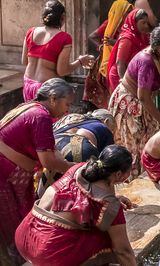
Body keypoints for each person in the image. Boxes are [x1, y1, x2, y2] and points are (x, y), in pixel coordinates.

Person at [15, 145, 137, 266]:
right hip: (47, 253)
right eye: (129, 170)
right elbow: (123, 252)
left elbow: (75, 198)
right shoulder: (108, 205)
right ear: (119, 174)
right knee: (111, 238)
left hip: (24, 235)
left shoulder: (80, 168)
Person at [0, 78, 75, 264]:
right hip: (4, 176)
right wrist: (74, 169)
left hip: (10, 172)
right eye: (67, 104)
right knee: (14, 229)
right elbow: (48, 160)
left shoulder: (28, 107)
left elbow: (49, 150)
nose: (68, 110)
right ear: (52, 99)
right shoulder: (40, 116)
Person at [109, 24, 160, 178]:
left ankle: (145, 176)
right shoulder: (146, 61)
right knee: (133, 148)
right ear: (158, 46)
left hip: (145, 103)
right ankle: (131, 183)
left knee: (149, 144)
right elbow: (143, 97)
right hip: (129, 104)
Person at [22, 0, 94, 102]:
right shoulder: (64, 38)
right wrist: (80, 62)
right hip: (47, 90)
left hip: (28, 84)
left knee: (34, 115)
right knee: (49, 118)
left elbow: (24, 61)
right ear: (62, 17)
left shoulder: (30, 32)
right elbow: (62, 71)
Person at [107, 9, 152, 92]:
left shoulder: (142, 37)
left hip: (132, 76)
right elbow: (120, 63)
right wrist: (125, 84)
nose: (146, 26)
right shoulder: (127, 39)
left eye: (147, 23)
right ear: (134, 22)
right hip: (120, 76)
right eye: (143, 23)